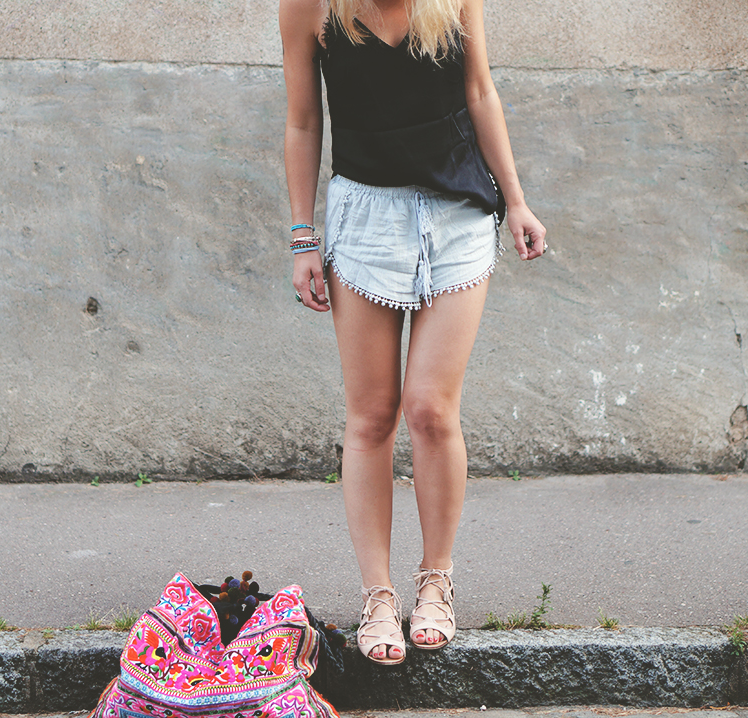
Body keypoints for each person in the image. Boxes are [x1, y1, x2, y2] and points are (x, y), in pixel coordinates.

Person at [280, 0, 547, 665]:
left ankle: (436, 581)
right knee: (372, 417)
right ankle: (378, 595)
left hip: (457, 213)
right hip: (365, 216)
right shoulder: (310, 7)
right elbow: (302, 119)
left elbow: (480, 90)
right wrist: (302, 237)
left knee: (430, 409)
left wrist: (516, 198)